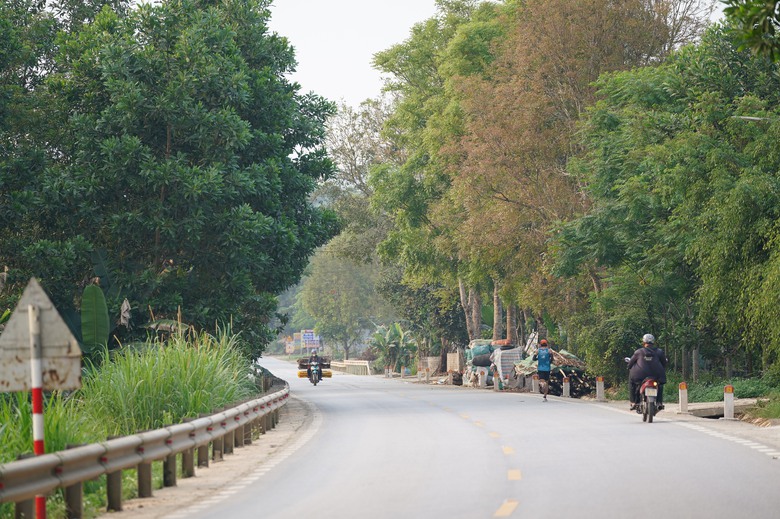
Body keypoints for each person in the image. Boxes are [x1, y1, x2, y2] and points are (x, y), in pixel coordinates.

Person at [627, 334, 667, 411]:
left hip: (640, 376)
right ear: (653, 342)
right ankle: (659, 402)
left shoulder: (638, 352)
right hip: (656, 375)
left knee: (632, 381)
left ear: (643, 342)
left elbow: (630, 364)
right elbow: (664, 363)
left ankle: (634, 401)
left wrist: (629, 366)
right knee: (660, 384)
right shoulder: (659, 352)